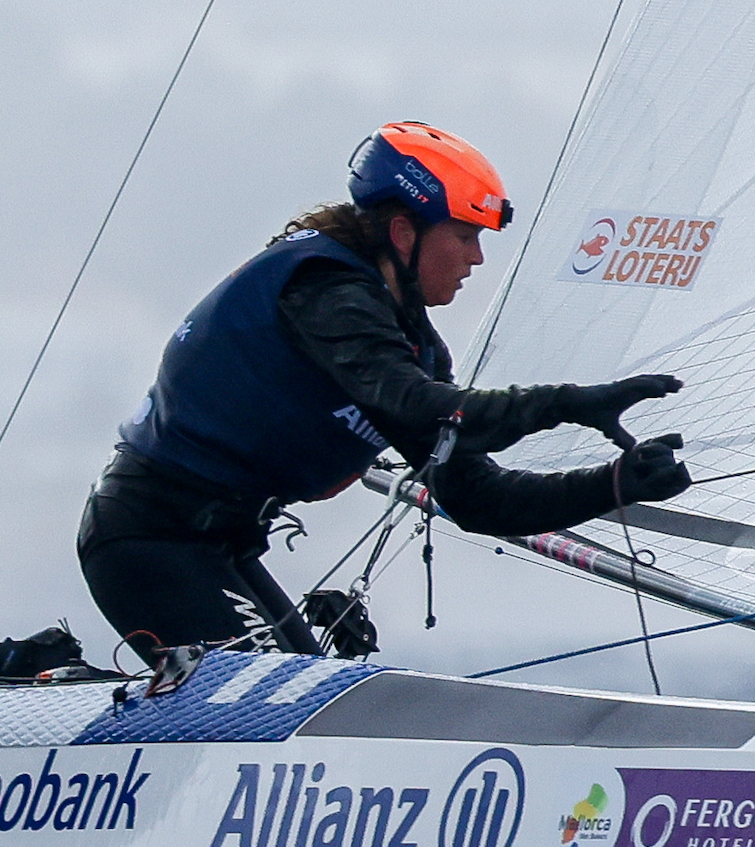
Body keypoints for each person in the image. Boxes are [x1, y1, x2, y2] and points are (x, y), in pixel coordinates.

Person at [80, 120, 694, 659]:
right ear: (404, 232)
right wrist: (565, 403)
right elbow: (421, 407)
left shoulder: (415, 347)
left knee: (308, 688)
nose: (476, 259)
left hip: (218, 545)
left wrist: (616, 483)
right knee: (281, 710)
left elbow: (479, 498)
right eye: (464, 236)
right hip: (147, 537)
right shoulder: (326, 293)